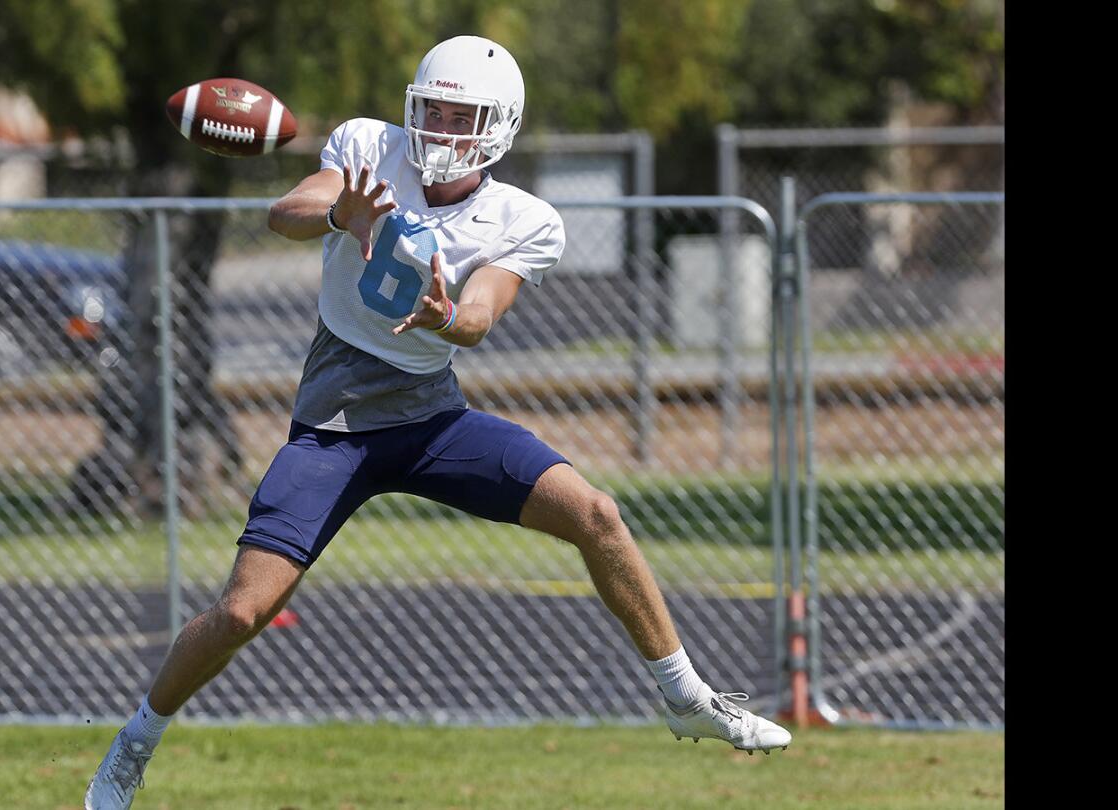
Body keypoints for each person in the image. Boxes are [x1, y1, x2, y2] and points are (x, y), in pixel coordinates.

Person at [85, 35, 790, 810]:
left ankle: (687, 696)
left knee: (597, 513)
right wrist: (337, 214)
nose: (444, 130)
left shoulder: (523, 219)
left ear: (500, 127)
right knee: (245, 608)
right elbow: (287, 212)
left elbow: (484, 313)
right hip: (336, 424)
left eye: (464, 116)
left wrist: (448, 315)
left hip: (430, 419)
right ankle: (132, 746)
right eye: (435, 111)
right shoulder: (368, 146)